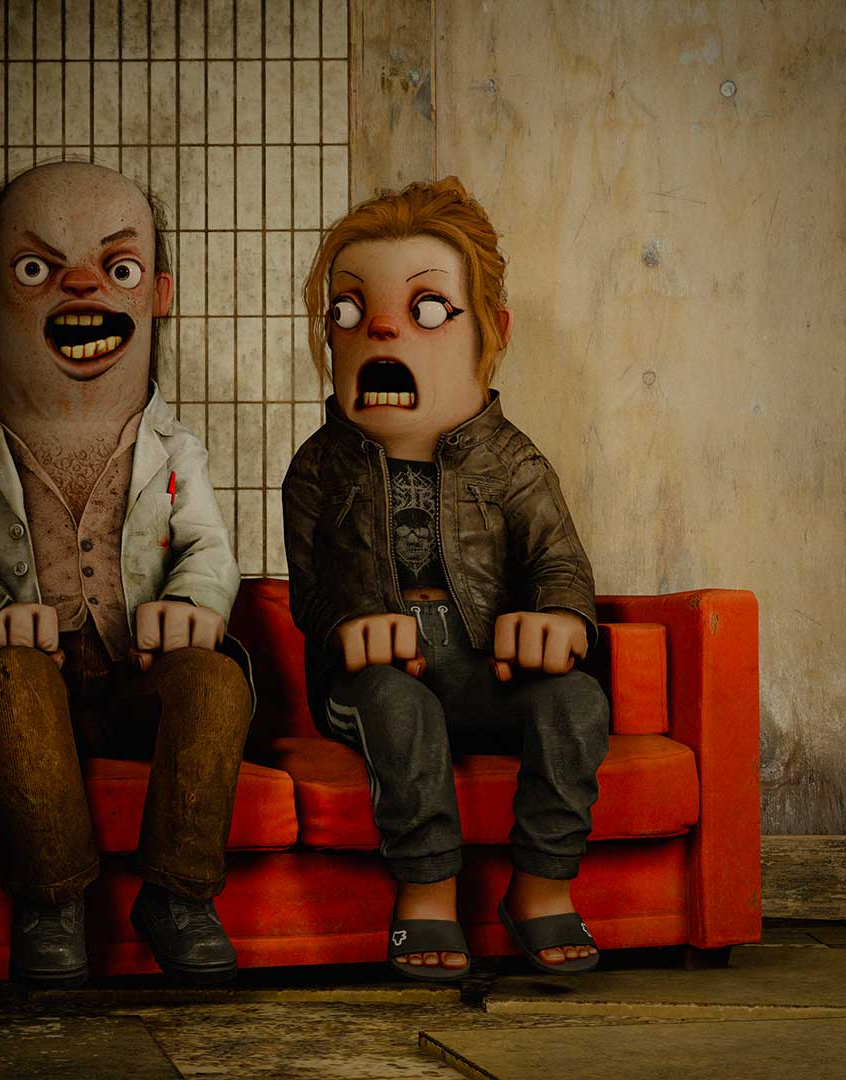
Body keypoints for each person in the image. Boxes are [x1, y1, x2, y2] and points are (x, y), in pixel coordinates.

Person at [0, 160, 253, 988]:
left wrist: (192, 602)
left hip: (137, 676)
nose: (83, 288)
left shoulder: (175, 448)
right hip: (30, 681)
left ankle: (179, 898)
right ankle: (52, 904)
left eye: (119, 269)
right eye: (37, 268)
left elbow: (209, 547)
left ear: (157, 295)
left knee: (216, 682)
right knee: (11, 680)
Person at [281, 177, 610, 981]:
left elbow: (560, 561)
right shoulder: (317, 469)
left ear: (492, 331)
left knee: (576, 703)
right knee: (397, 706)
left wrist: (561, 618)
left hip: (486, 669)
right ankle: (426, 894)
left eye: (426, 309)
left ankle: (541, 887)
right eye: (349, 311)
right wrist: (349, 624)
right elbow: (306, 588)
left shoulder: (515, 464)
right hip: (376, 680)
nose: (380, 328)